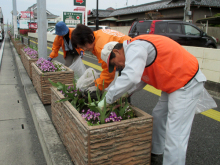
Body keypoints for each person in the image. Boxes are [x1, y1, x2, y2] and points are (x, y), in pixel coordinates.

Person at [98, 34, 207, 165]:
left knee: (176, 134)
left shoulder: (135, 47)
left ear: (116, 51)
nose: (118, 66)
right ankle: (156, 152)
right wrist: (123, 95)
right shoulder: (135, 51)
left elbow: (132, 77)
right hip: (173, 83)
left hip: (186, 82)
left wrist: (107, 100)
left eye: (115, 62)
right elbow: (140, 81)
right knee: (159, 115)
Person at [71, 24, 131, 91]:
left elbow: (109, 72)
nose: (84, 49)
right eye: (81, 47)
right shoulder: (97, 34)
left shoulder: (100, 47)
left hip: (130, 56)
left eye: (84, 45)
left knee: (126, 86)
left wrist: (97, 87)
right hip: (128, 52)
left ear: (90, 37)